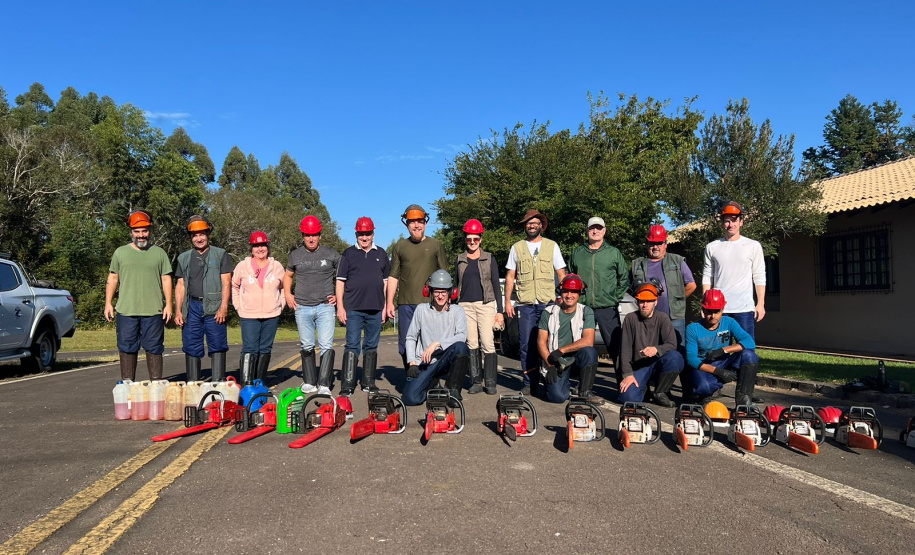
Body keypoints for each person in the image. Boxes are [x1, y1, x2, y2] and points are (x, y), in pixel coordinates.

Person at [104, 209, 173, 382]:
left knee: (154, 348)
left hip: (154, 310)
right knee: (127, 348)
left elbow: (166, 279)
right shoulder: (120, 252)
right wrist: (108, 303)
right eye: (137, 231)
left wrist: (169, 305)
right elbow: (113, 278)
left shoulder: (159, 253)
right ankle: (128, 387)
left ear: (149, 231)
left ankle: (156, 386)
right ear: (131, 232)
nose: (141, 235)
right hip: (126, 310)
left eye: (144, 231)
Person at [504, 209, 566, 396]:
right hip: (525, 303)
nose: (532, 226)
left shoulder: (552, 246)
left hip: (548, 302)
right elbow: (510, 276)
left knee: (549, 343)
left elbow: (561, 273)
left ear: (541, 225)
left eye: (535, 223)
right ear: (525, 226)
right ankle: (529, 382)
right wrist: (507, 301)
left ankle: (551, 380)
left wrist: (562, 297)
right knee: (526, 344)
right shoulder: (516, 248)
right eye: (528, 223)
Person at [568, 216, 629, 393]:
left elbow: (624, 278)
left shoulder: (613, 253)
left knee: (615, 347)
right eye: (591, 228)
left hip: (607, 308)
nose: (595, 231)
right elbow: (571, 277)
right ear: (587, 231)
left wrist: (614, 297)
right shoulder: (578, 253)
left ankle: (622, 385)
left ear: (604, 231)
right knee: (582, 346)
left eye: (598, 228)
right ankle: (582, 386)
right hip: (583, 308)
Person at [385, 204, 448, 371]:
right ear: (406, 224)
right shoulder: (399, 246)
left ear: (425, 223)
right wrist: (389, 302)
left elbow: (444, 277)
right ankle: (410, 375)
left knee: (431, 342)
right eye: (412, 222)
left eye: (419, 221)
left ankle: (430, 378)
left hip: (430, 304)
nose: (416, 225)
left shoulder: (436, 245)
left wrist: (445, 302)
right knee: (406, 344)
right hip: (406, 304)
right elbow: (393, 276)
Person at [285, 215, 341, 395]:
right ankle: (309, 381)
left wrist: (340, 298)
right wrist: (287, 294)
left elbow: (344, 276)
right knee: (307, 345)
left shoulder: (332, 254)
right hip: (302, 307)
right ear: (302, 235)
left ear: (320, 235)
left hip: (325, 306)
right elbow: (288, 276)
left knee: (326, 345)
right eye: (307, 235)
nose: (311, 238)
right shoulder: (295, 255)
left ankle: (324, 384)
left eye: (314, 234)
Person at [174, 216, 232, 382]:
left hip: (214, 307)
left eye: (202, 234)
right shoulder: (183, 258)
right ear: (190, 238)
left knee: (217, 343)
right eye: (194, 235)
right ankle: (193, 383)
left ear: (208, 234)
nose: (199, 238)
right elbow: (180, 285)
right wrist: (178, 310)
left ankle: (218, 383)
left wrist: (223, 307)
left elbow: (226, 281)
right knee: (191, 344)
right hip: (192, 306)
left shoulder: (220, 254)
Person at [336, 217, 389, 396]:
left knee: (371, 346)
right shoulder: (348, 254)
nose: (364, 237)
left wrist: (385, 307)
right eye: (361, 234)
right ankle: (348, 384)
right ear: (356, 234)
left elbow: (386, 282)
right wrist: (340, 307)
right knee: (352, 345)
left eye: (367, 234)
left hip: (375, 309)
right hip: (353, 308)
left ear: (373, 234)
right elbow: (340, 282)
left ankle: (368, 382)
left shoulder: (381, 253)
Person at [401, 270, 470, 406]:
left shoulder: (458, 311)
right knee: (410, 398)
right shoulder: (421, 309)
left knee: (461, 348)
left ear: (451, 292)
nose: (440, 296)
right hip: (425, 363)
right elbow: (410, 337)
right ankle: (433, 385)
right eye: (437, 291)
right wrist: (412, 362)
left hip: (445, 359)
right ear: (430, 292)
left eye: (444, 292)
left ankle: (453, 391)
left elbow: (461, 336)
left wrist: (437, 343)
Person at [702, 201, 766, 339]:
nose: (731, 224)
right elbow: (707, 276)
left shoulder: (753, 246)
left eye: (734, 220)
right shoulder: (712, 247)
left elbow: (759, 276)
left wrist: (760, 304)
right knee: (717, 354)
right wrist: (706, 305)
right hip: (718, 310)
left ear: (741, 222)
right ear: (722, 223)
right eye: (727, 221)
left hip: (744, 309)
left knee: (746, 352)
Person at [684, 289, 760, 405]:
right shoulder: (692, 328)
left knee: (749, 355)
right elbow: (691, 359)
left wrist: (723, 350)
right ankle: (705, 392)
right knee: (705, 387)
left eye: (717, 311)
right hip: (703, 367)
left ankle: (744, 400)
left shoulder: (729, 322)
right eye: (709, 311)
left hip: (724, 363)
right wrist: (718, 372)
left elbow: (749, 342)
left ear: (722, 310)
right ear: (703, 309)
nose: (713, 316)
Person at [455, 219, 504, 395]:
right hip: (465, 305)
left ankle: (490, 381)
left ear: (481, 239)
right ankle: (476, 380)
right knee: (472, 343)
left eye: (476, 239)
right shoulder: (459, 259)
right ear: (465, 240)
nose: (472, 242)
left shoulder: (489, 258)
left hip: (486, 304)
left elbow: (496, 286)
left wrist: (499, 311)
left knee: (488, 343)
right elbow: (456, 283)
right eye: (469, 239)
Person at [617, 281, 684, 407]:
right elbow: (625, 350)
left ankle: (661, 391)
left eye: (649, 301)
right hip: (639, 366)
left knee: (676, 357)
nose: (645, 305)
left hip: (658, 363)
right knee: (628, 398)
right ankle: (644, 390)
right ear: (637, 302)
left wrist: (656, 349)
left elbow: (672, 344)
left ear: (656, 302)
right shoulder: (630, 319)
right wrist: (628, 375)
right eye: (642, 301)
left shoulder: (663, 318)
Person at [536, 274, 600, 404]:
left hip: (575, 359)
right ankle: (557, 385)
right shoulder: (548, 312)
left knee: (590, 352)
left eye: (574, 292)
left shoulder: (586, 311)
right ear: (561, 292)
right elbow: (541, 342)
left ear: (580, 294)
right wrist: (550, 365)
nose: (569, 295)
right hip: (556, 362)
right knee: (557, 397)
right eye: (566, 291)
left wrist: (562, 350)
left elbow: (588, 341)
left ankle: (585, 391)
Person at [231, 231, 285, 385]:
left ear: (267, 247)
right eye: (256, 246)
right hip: (248, 315)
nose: (260, 249)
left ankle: (259, 383)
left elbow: (283, 288)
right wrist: (238, 306)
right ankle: (247, 384)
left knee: (265, 349)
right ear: (251, 248)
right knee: (250, 349)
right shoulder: (242, 266)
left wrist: (280, 305)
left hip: (271, 314)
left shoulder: (277, 266)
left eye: (262, 245)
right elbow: (234, 286)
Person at [630, 224, 696, 347]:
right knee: (648, 351)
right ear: (647, 244)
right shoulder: (637, 264)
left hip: (674, 318)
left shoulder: (677, 261)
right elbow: (630, 289)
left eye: (659, 243)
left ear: (665, 243)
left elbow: (691, 285)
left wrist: (676, 300)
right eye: (652, 244)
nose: (655, 247)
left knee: (677, 349)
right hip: (647, 318)